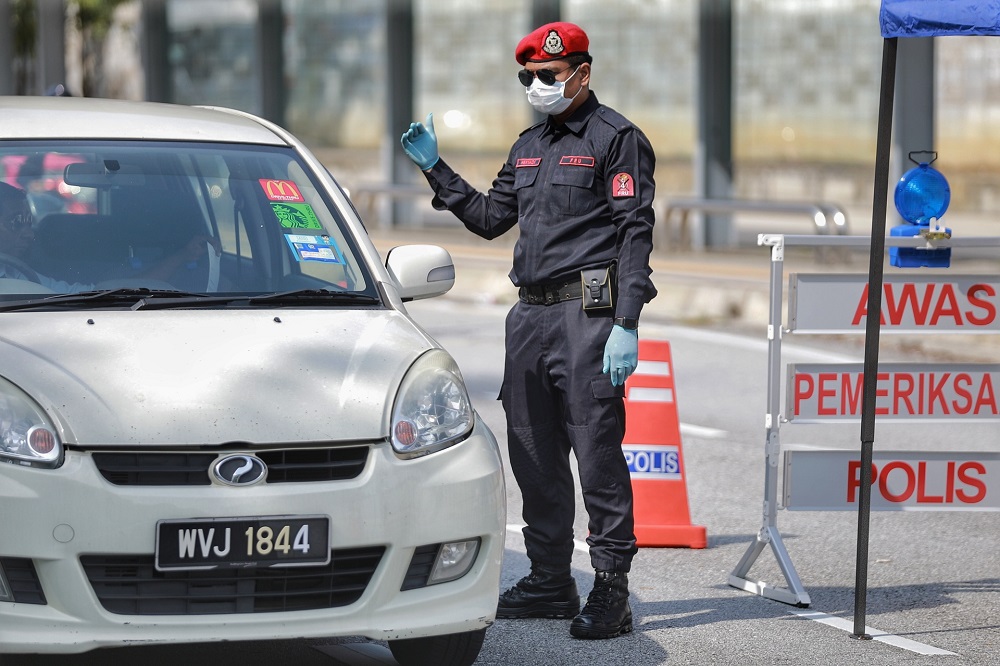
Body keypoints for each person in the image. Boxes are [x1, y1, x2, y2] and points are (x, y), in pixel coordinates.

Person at [401, 21, 656, 640]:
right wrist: (437, 169)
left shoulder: (615, 139)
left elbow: (634, 232)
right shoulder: (529, 146)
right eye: (529, 77)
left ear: (581, 73)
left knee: (595, 452)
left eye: (547, 74)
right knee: (534, 451)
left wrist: (626, 323)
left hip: (586, 317)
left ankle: (612, 589)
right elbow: (492, 219)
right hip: (531, 317)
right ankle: (549, 580)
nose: (537, 85)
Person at [0, 181, 217, 292]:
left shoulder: (18, 276)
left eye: (29, 222)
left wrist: (181, 256)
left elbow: (90, 294)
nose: (29, 233)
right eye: (17, 222)